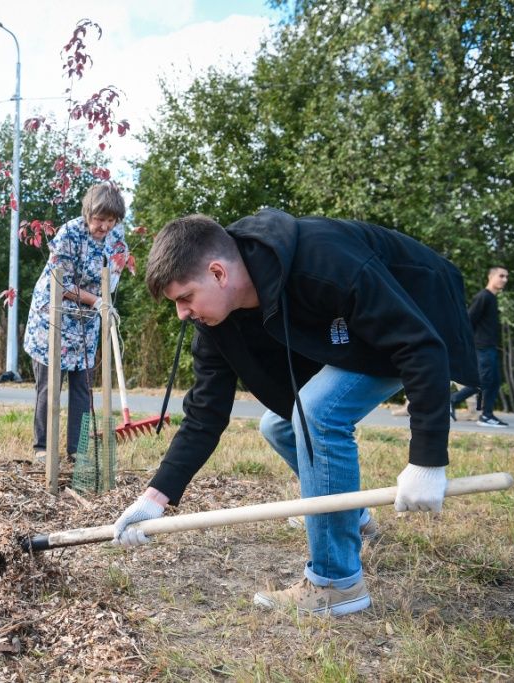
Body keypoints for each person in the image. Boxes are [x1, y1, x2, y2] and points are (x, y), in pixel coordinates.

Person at [111, 209, 478, 617]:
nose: (181, 313)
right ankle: (350, 516)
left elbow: (419, 345)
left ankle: (337, 585)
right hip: (357, 333)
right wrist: (154, 499)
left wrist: (426, 460)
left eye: (184, 298)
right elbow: (204, 414)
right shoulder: (216, 324)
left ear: (218, 273)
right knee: (279, 426)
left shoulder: (322, 261)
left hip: (419, 316)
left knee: (315, 414)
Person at [22, 182, 129, 460]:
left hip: (86, 322)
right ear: (87, 213)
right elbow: (62, 283)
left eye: (110, 220)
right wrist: (96, 301)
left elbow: (111, 281)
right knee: (50, 385)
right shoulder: (69, 233)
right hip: (53, 316)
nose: (103, 226)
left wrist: (106, 302)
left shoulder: (118, 243)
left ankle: (77, 450)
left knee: (82, 386)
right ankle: (43, 448)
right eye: (98, 219)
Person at [450, 267, 510, 427]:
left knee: (494, 381)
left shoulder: (492, 298)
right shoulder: (483, 296)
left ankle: (487, 415)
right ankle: (453, 400)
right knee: (483, 381)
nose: (504, 279)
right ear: (490, 277)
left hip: (490, 346)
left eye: (506, 277)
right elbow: (469, 321)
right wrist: (466, 346)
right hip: (481, 347)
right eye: (501, 276)